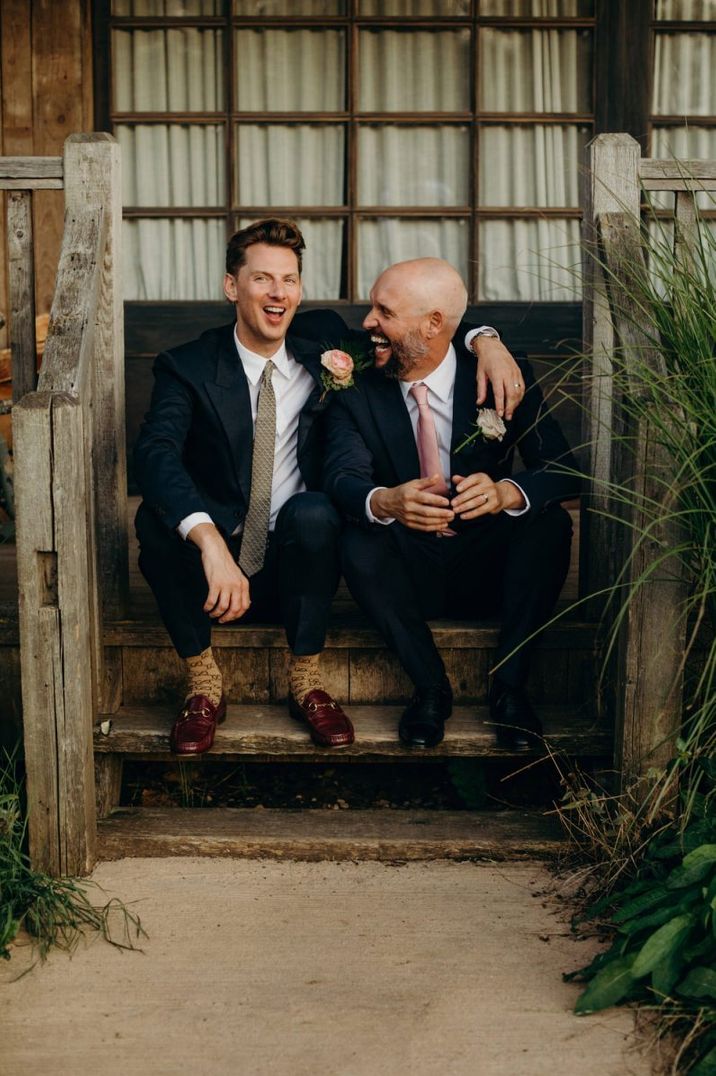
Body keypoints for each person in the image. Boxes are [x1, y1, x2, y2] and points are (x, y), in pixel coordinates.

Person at [133, 219, 522, 756]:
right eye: (263, 279)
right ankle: (203, 684)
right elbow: (155, 455)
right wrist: (209, 542)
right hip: (213, 577)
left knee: (315, 510)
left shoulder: (325, 343)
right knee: (155, 521)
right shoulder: (188, 366)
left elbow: (425, 317)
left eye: (290, 280)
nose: (278, 294)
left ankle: (306, 680)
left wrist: (486, 340)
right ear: (232, 287)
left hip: (300, 562)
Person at [323, 258, 580, 750]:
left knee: (549, 526)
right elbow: (341, 475)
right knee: (357, 534)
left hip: (486, 564)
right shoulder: (355, 383)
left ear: (433, 324)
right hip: (406, 569)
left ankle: (510, 690)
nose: (368, 323)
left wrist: (509, 493)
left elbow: (565, 469)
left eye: (384, 311)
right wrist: (387, 500)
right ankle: (430, 689)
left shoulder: (502, 375)